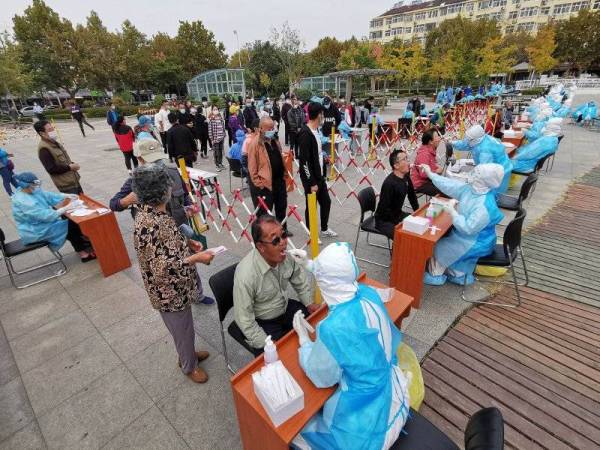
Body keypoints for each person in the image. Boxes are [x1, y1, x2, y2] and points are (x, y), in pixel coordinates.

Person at [289, 243, 410, 450]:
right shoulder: (367, 293)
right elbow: (338, 281)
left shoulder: (332, 328)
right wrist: (310, 265)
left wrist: (304, 341)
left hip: (364, 420)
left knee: (297, 432)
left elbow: (321, 376)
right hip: (394, 393)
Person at [131, 164, 214, 384]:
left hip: (179, 287)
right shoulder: (149, 223)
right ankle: (189, 366)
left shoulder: (157, 213)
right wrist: (196, 258)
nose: (172, 189)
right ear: (160, 190)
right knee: (181, 329)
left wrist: (188, 243)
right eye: (169, 185)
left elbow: (169, 244)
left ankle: (188, 355)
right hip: (168, 292)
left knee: (185, 328)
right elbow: (161, 267)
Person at [233, 215, 317, 353]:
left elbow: (298, 279)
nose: (283, 242)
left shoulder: (285, 256)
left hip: (284, 307)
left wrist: (309, 303)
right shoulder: (246, 275)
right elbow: (244, 319)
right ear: (260, 247)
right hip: (263, 320)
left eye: (283, 235)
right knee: (284, 357)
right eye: (275, 240)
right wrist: (266, 343)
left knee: (315, 327)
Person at [419, 163, 504, 286]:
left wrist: (453, 213)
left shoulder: (485, 206)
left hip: (474, 241)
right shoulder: (472, 189)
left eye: (477, 173)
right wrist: (431, 175)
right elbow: (452, 186)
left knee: (438, 247)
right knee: (453, 260)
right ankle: (458, 274)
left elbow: (468, 229)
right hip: (466, 237)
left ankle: (435, 276)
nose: (473, 173)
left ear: (486, 179)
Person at [11, 172, 95, 262]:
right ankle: (83, 253)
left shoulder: (29, 190)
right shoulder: (23, 201)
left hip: (43, 224)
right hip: (35, 231)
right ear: (26, 185)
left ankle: (84, 245)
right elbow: (46, 216)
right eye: (33, 185)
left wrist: (66, 195)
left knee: (70, 223)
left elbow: (48, 195)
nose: (35, 187)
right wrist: (66, 208)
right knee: (70, 227)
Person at [298, 102, 337, 238]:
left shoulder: (317, 131)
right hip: (311, 178)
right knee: (312, 206)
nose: (324, 117)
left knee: (326, 202)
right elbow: (304, 162)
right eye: (322, 114)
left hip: (320, 175)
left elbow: (317, 152)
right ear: (319, 115)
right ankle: (312, 234)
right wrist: (312, 182)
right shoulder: (305, 134)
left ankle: (324, 228)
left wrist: (325, 158)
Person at [247, 117, 290, 232]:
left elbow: (280, 157)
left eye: (273, 128)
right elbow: (252, 168)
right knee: (265, 214)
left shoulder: (275, 139)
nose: (272, 130)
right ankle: (268, 235)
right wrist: (259, 184)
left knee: (281, 208)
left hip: (279, 181)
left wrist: (285, 173)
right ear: (261, 129)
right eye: (269, 128)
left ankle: (282, 231)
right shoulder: (255, 144)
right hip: (265, 185)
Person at [452, 125, 512, 194]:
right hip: (498, 166)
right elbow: (465, 144)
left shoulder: (485, 150)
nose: (467, 141)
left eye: (469, 139)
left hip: (501, 171)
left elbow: (483, 171)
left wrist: (468, 177)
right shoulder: (480, 138)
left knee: (494, 194)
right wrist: (452, 143)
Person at [374, 150, 420, 240]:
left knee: (417, 227)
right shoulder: (389, 184)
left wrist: (418, 213)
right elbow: (384, 210)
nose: (408, 162)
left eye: (407, 158)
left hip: (397, 214)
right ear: (396, 165)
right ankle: (398, 253)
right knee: (402, 237)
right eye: (404, 159)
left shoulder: (406, 176)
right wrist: (400, 222)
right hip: (384, 220)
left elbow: (412, 196)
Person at [34, 120, 83, 195]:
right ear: (42, 133)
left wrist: (72, 165)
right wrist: (70, 167)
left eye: (53, 128)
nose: (53, 131)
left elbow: (62, 161)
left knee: (84, 203)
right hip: (66, 185)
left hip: (73, 180)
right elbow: (51, 169)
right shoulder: (44, 149)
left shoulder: (53, 142)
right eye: (50, 130)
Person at [411, 129, 444, 196]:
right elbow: (423, 173)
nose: (439, 138)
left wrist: (436, 168)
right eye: (437, 136)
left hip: (428, 180)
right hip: (420, 184)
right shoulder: (424, 154)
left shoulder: (430, 150)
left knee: (446, 186)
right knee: (445, 191)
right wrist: (436, 171)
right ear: (430, 142)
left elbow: (431, 165)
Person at [208, 105, 226, 171]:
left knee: (220, 151)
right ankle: (217, 165)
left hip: (221, 138)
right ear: (212, 111)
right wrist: (212, 139)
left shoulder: (220, 118)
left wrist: (224, 135)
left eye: (216, 109)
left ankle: (220, 163)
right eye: (214, 109)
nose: (215, 111)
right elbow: (210, 130)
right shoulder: (211, 120)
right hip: (215, 139)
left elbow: (223, 127)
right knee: (216, 152)